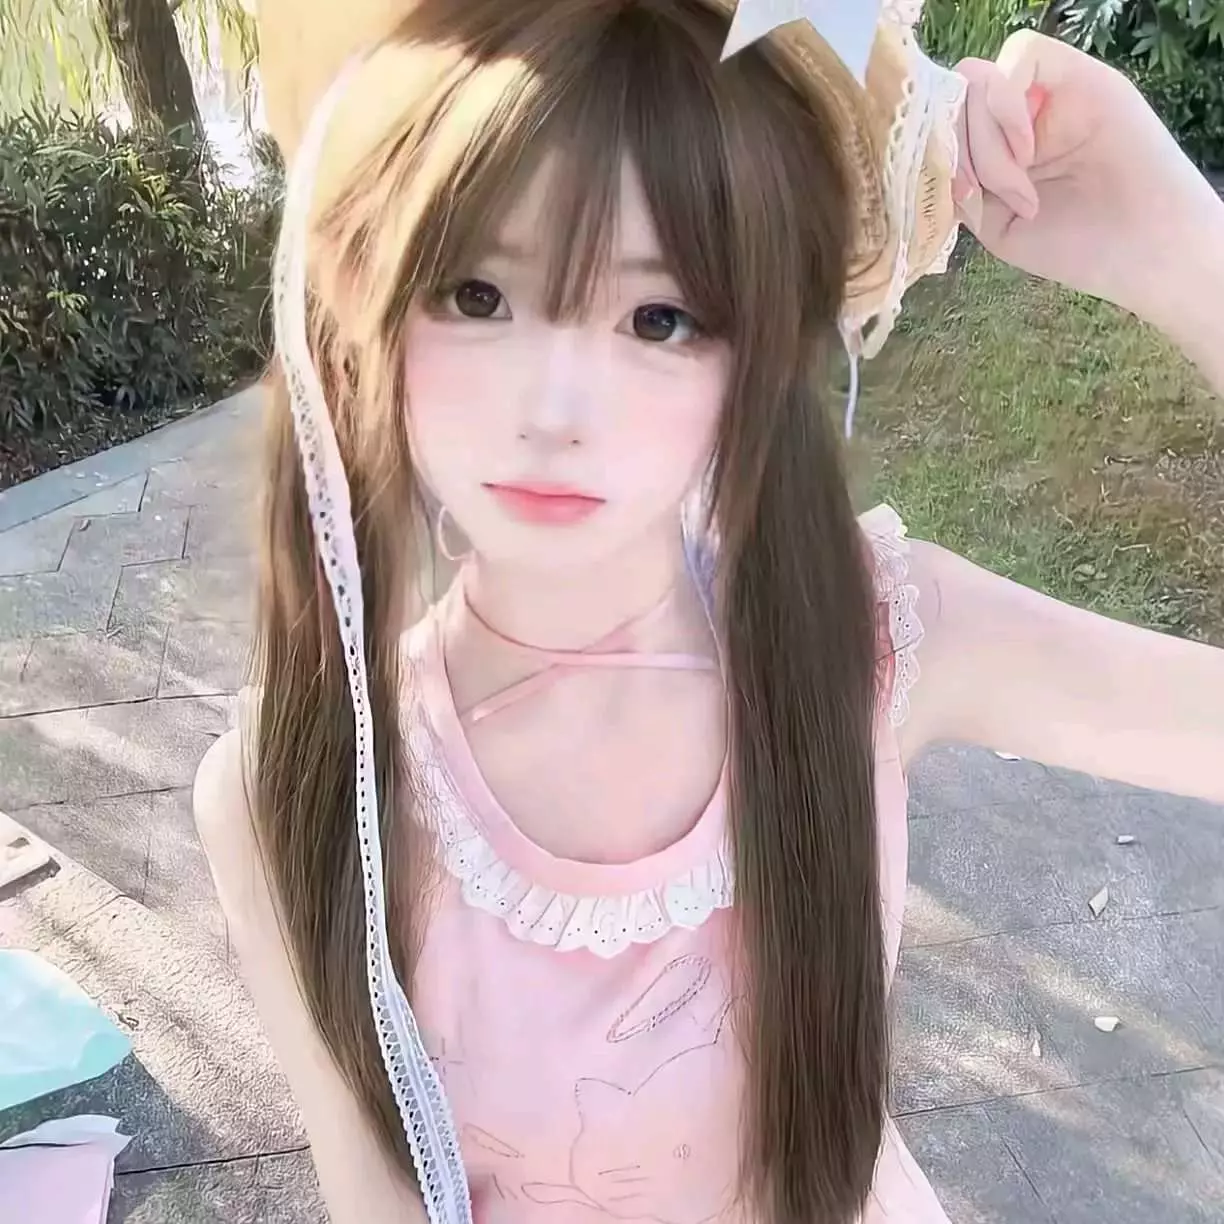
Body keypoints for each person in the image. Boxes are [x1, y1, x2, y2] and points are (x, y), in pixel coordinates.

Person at [193, 1, 1224, 1221]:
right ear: (368, 299)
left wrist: (1181, 250)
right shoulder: (293, 788)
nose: (556, 408)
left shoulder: (871, 639)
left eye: (658, 318)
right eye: (477, 294)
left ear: (756, 355)